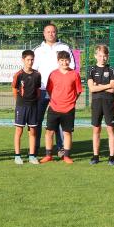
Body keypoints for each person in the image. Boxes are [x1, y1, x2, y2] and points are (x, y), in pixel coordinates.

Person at [33, 23, 76, 156]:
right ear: (43, 34)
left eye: (53, 32)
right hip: (41, 90)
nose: (51, 34)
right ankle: (35, 147)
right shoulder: (38, 50)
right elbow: (33, 71)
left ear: (56, 33)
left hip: (60, 92)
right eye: (48, 32)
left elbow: (72, 67)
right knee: (37, 120)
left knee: (60, 121)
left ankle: (61, 148)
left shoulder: (64, 47)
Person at [40, 51, 82, 164]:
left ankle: (66, 156)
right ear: (58, 61)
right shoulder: (53, 74)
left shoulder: (74, 74)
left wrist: (71, 101)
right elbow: (49, 89)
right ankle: (48, 155)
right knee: (49, 132)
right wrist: (55, 100)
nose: (65, 62)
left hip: (68, 109)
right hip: (54, 107)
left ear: (70, 60)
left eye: (66, 60)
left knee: (67, 133)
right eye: (62, 60)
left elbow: (78, 91)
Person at [88, 45, 114, 165]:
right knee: (96, 129)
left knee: (110, 129)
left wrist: (98, 86)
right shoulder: (91, 70)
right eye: (100, 55)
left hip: (109, 103)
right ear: (96, 56)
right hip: (96, 103)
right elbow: (91, 89)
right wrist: (106, 86)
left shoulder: (112, 70)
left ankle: (112, 156)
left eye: (105, 56)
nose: (102, 58)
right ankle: (96, 156)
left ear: (107, 56)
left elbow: (113, 88)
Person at [11, 50, 42, 165]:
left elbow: (38, 91)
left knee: (33, 131)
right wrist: (20, 101)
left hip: (33, 106)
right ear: (23, 60)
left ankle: (32, 155)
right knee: (19, 130)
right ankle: (17, 155)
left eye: (32, 59)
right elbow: (14, 90)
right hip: (21, 107)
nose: (30, 62)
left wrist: (34, 101)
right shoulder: (18, 75)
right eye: (28, 59)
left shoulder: (37, 75)